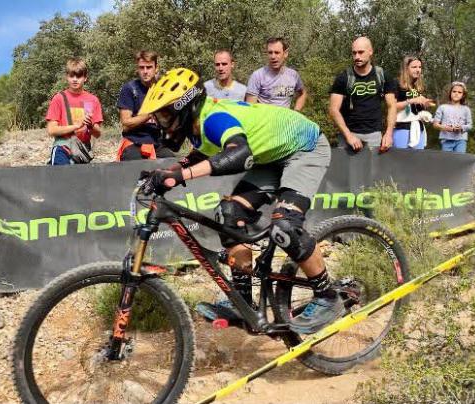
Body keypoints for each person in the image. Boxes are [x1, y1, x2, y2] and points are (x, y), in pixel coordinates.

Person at [138, 67, 339, 334]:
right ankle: (243, 302)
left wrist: (181, 176)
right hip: (271, 157)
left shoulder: (214, 119)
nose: (161, 123)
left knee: (285, 226)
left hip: (304, 147)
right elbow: (201, 154)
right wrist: (167, 173)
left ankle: (328, 297)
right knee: (229, 214)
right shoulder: (199, 125)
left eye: (164, 115)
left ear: (183, 107)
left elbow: (240, 154)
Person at [328, 36, 397, 151]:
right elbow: (333, 110)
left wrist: (389, 134)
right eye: (354, 53)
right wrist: (348, 136)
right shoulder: (343, 77)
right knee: (347, 169)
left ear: (370, 52)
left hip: (374, 135)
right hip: (348, 136)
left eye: (361, 52)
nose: (357, 57)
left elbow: (392, 106)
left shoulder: (383, 75)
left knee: (374, 169)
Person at [116, 51, 175, 161]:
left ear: (156, 68)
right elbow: (126, 124)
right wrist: (151, 114)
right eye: (142, 68)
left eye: (149, 67)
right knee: (136, 163)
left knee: (171, 162)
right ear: (137, 69)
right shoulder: (129, 89)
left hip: (157, 144)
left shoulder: (163, 90)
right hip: (134, 143)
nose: (145, 71)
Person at [45, 58, 103, 165]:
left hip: (82, 151)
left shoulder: (92, 100)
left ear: (85, 78)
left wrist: (90, 125)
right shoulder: (59, 98)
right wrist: (76, 126)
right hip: (62, 149)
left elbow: (98, 133)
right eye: (72, 76)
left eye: (79, 76)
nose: (75, 79)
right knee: (61, 180)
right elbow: (51, 130)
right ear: (67, 77)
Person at [245, 37, 307, 111]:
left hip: (285, 121)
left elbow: (302, 93)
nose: (273, 56)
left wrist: (296, 112)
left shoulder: (293, 75)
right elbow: (250, 108)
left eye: (277, 53)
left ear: (285, 54)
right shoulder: (257, 76)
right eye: (270, 53)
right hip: (264, 121)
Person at [393, 56, 435, 150]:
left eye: (420, 67)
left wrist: (424, 103)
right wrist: (412, 100)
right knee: (401, 161)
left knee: (418, 162)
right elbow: (392, 107)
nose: (418, 70)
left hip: (418, 128)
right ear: (406, 68)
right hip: (402, 128)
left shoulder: (417, 86)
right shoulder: (396, 83)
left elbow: (416, 109)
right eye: (414, 67)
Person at [432, 82, 473, 153]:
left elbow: (470, 126)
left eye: (459, 92)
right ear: (450, 93)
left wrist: (461, 127)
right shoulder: (442, 107)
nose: (456, 93)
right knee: (447, 161)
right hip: (446, 140)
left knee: (459, 160)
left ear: (463, 95)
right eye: (454, 91)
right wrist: (446, 128)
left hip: (461, 140)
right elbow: (435, 124)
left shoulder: (466, 109)